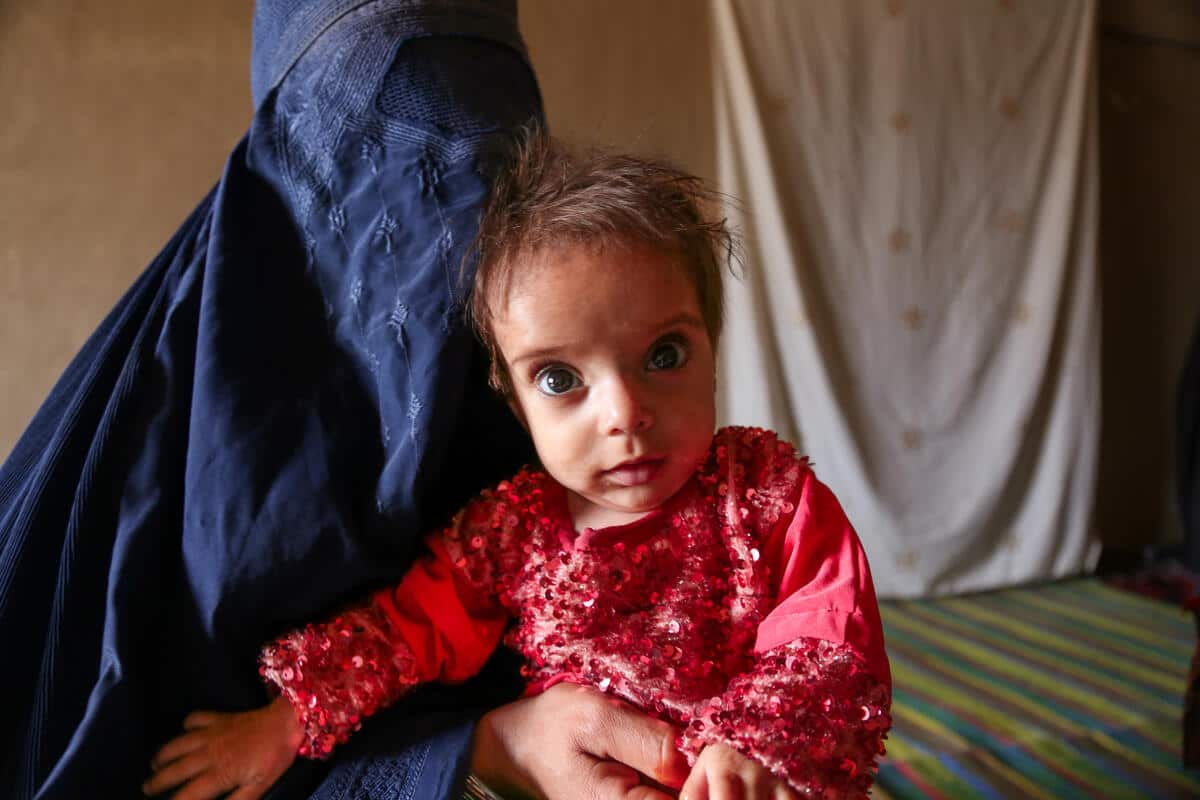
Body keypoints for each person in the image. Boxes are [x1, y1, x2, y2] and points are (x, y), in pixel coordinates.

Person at [1, 2, 690, 798]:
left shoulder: (560, 432)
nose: (457, 243)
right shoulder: (144, 481)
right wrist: (479, 749)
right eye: (399, 177)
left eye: (498, 177)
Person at [144, 132, 893, 800]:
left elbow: (828, 631)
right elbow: (404, 634)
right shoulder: (512, 532)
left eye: (664, 355)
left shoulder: (763, 491)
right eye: (562, 379)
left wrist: (754, 742)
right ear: (511, 399)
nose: (625, 413)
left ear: (712, 346)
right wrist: (286, 722)